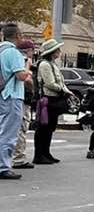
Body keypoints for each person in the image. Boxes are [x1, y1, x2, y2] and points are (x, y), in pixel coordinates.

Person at [34, 39, 77, 165]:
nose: (60, 51)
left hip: (53, 99)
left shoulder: (52, 64)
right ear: (52, 51)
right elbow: (50, 83)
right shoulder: (45, 65)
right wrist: (64, 90)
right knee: (44, 127)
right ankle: (39, 155)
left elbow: (60, 82)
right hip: (48, 100)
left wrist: (66, 90)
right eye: (57, 49)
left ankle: (46, 153)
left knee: (50, 127)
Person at [0, 23, 32, 180]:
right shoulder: (13, 53)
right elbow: (21, 76)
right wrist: (27, 68)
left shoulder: (1, 50)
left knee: (2, 129)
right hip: (12, 95)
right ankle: (3, 167)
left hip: (2, 94)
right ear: (17, 36)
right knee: (9, 133)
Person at [10, 38, 35, 171]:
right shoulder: (24, 61)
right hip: (22, 98)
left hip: (21, 98)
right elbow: (25, 79)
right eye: (32, 49)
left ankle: (17, 156)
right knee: (21, 127)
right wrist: (29, 73)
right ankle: (18, 157)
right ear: (27, 50)